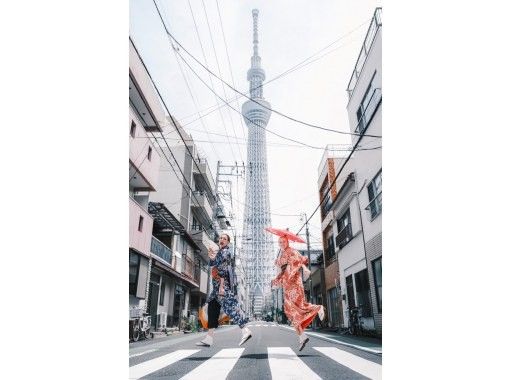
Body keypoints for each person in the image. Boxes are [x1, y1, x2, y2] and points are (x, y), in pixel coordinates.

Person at [196, 233, 252, 347]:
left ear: (228, 242)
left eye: (224, 239)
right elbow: (213, 265)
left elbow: (222, 270)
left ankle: (246, 331)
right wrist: (211, 256)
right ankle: (209, 338)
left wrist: (221, 286)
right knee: (212, 309)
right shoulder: (220, 252)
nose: (221, 240)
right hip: (217, 288)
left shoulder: (225, 252)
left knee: (230, 308)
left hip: (222, 287)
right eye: (220, 238)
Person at [271, 236, 325, 351]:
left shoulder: (292, 251)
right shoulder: (282, 254)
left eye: (283, 241)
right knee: (290, 311)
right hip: (287, 285)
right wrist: (278, 268)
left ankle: (318, 307)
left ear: (287, 242)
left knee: (299, 306)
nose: (281, 243)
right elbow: (283, 270)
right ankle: (302, 336)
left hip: (295, 283)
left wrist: (302, 268)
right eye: (279, 242)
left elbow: (298, 262)